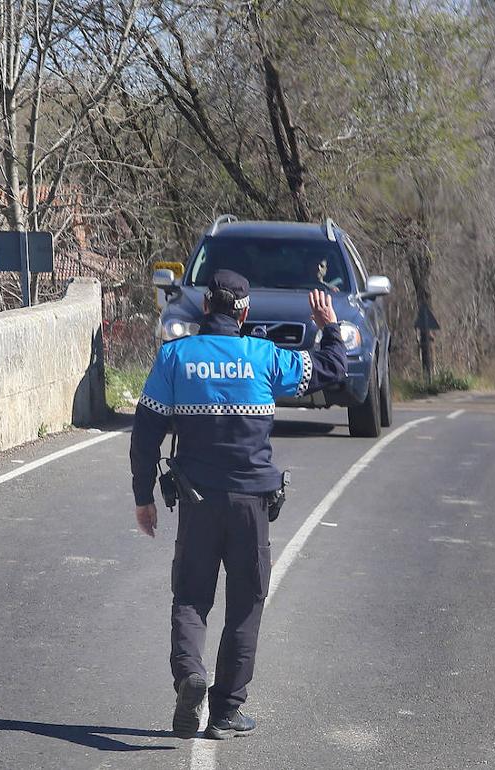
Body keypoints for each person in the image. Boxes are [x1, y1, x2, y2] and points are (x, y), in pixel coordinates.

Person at [129, 269, 348, 740]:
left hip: (197, 501)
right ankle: (227, 708)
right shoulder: (264, 356)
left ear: (207, 305)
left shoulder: (175, 357)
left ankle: (190, 675)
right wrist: (328, 326)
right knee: (246, 602)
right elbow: (329, 370)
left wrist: (142, 496)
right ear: (245, 313)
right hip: (252, 504)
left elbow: (145, 434)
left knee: (190, 596)